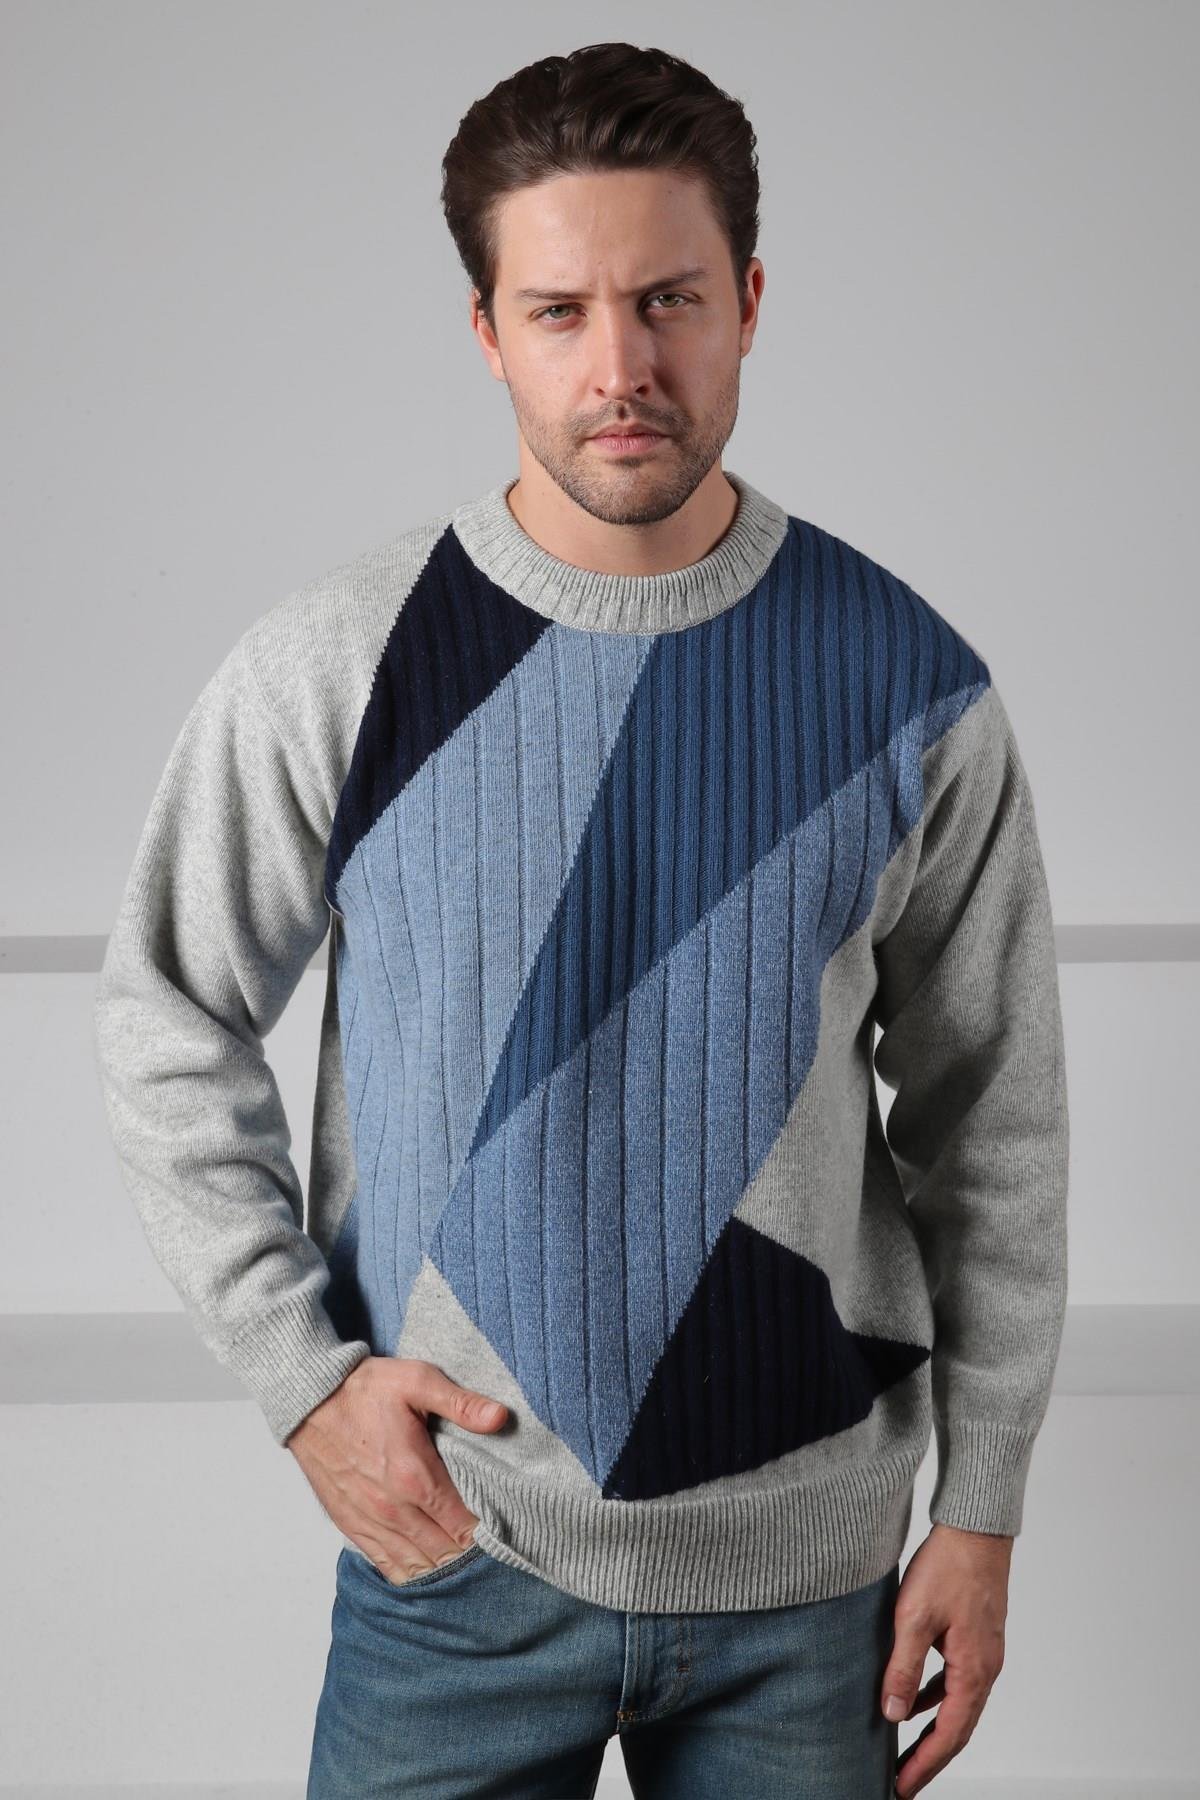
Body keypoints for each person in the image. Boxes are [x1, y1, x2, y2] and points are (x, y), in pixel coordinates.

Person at [91, 40, 1069, 1800]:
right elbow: (164, 1012)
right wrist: (303, 1381)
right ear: (487, 330)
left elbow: (991, 1120)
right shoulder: (344, 662)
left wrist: (982, 1504)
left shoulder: (909, 686)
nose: (621, 368)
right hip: (453, 1568)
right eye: (559, 311)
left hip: (814, 1595)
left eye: (669, 299)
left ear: (749, 301)